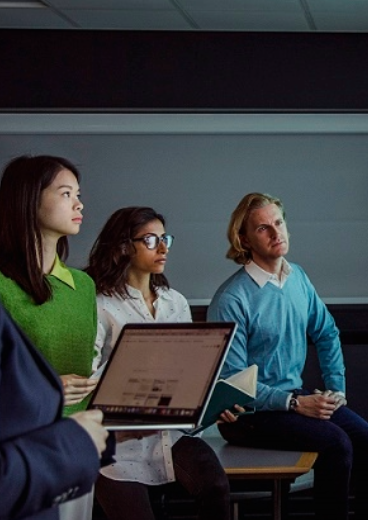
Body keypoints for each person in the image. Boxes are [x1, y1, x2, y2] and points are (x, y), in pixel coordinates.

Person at [0, 125, 108, 520]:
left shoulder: (85, 286)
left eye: (79, 195)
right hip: (20, 450)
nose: (79, 204)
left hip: (84, 440)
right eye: (66, 193)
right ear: (28, 201)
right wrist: (53, 389)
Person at [207, 193, 368, 520]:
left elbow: (327, 333)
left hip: (295, 400)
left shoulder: (297, 278)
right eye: (263, 228)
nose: (276, 233)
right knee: (336, 444)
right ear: (244, 239)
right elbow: (235, 384)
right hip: (248, 416)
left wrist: (336, 391)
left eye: (279, 222)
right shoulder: (232, 298)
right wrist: (294, 404)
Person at [86, 206, 232, 520]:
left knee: (216, 485)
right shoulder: (99, 304)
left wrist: (214, 398)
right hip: (117, 444)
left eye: (165, 238)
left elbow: (192, 370)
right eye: (151, 240)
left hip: (170, 433)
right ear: (125, 246)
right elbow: (88, 376)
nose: (164, 248)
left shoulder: (174, 301)